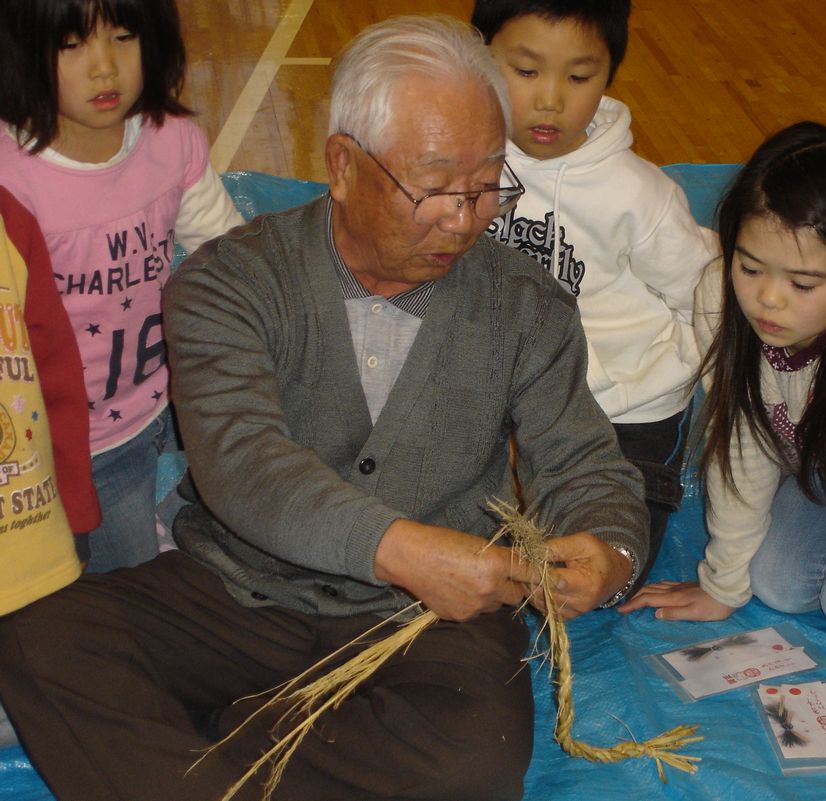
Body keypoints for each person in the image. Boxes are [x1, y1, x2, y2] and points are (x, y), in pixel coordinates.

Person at [0, 15, 648, 801]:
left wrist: (607, 553)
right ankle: (268, 742)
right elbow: (244, 465)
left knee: (472, 762)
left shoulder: (525, 305)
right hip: (240, 590)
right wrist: (400, 547)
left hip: (429, 623)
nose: (465, 216)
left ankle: (203, 757)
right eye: (436, 184)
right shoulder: (227, 282)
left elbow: (582, 464)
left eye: (487, 185)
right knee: (37, 642)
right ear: (342, 165)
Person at [621, 121, 826, 666]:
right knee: (775, 581)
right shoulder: (718, 295)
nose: (767, 300)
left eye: (804, 284)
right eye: (750, 267)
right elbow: (741, 442)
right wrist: (723, 584)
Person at [471, 0, 718, 582]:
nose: (551, 98)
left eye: (579, 77)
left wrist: (733, 399)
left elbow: (707, 298)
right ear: (478, 56)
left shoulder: (640, 197)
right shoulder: (466, 160)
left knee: (598, 563)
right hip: (508, 394)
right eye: (525, 71)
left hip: (625, 411)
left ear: (609, 75)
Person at [0, 0, 244, 572]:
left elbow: (229, 251)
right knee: (127, 584)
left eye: (124, 37)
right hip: (77, 442)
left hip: (160, 399)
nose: (104, 67)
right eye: (71, 45)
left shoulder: (169, 140)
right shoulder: (14, 179)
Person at [0, 186, 101, 749]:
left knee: (46, 719)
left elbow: (57, 375)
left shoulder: (9, 219)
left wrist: (77, 506)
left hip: (30, 547)